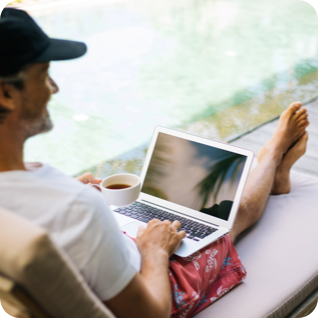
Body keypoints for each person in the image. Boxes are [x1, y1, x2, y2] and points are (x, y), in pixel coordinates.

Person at [0, 8, 310, 318]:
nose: (53, 88)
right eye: (43, 75)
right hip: (153, 278)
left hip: (107, 260)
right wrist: (155, 250)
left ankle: (271, 169)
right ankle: (273, 155)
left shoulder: (38, 196)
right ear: (7, 94)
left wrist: (65, 191)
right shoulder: (80, 209)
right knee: (228, 216)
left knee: (192, 183)